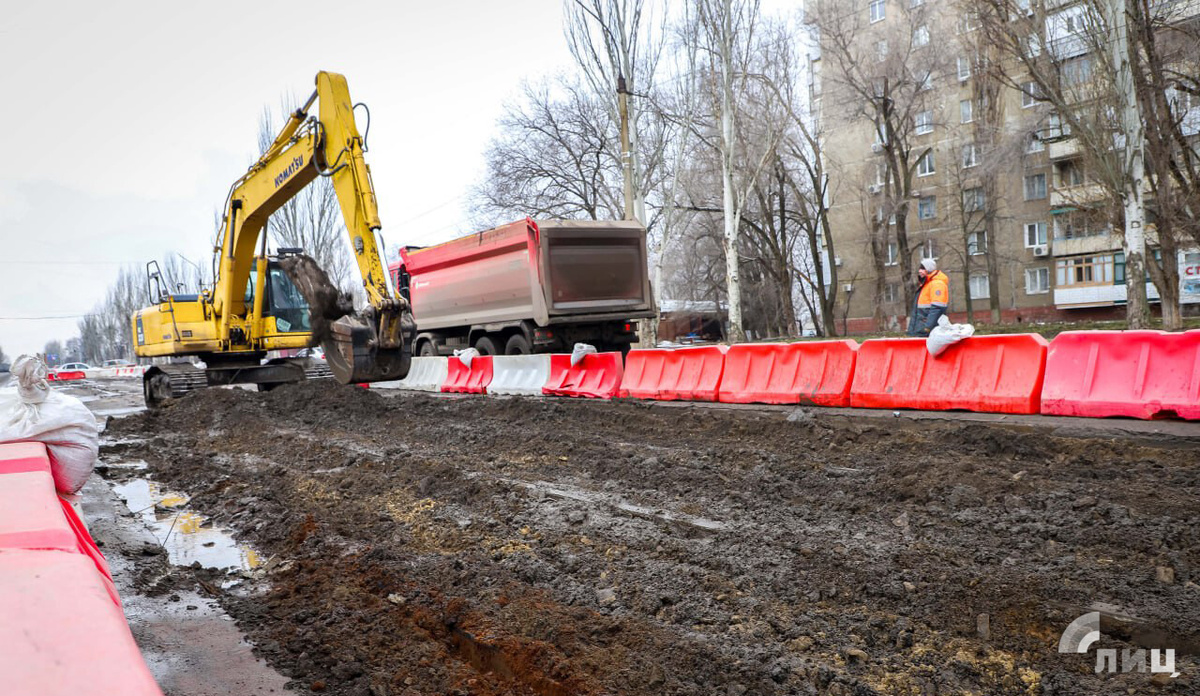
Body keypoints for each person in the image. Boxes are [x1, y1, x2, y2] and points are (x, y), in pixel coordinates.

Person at [907, 259, 949, 337]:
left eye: (923, 268)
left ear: (929, 270)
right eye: (919, 268)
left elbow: (937, 308)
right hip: (922, 329)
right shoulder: (926, 285)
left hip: (928, 331)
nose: (919, 271)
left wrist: (927, 327)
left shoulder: (937, 284)